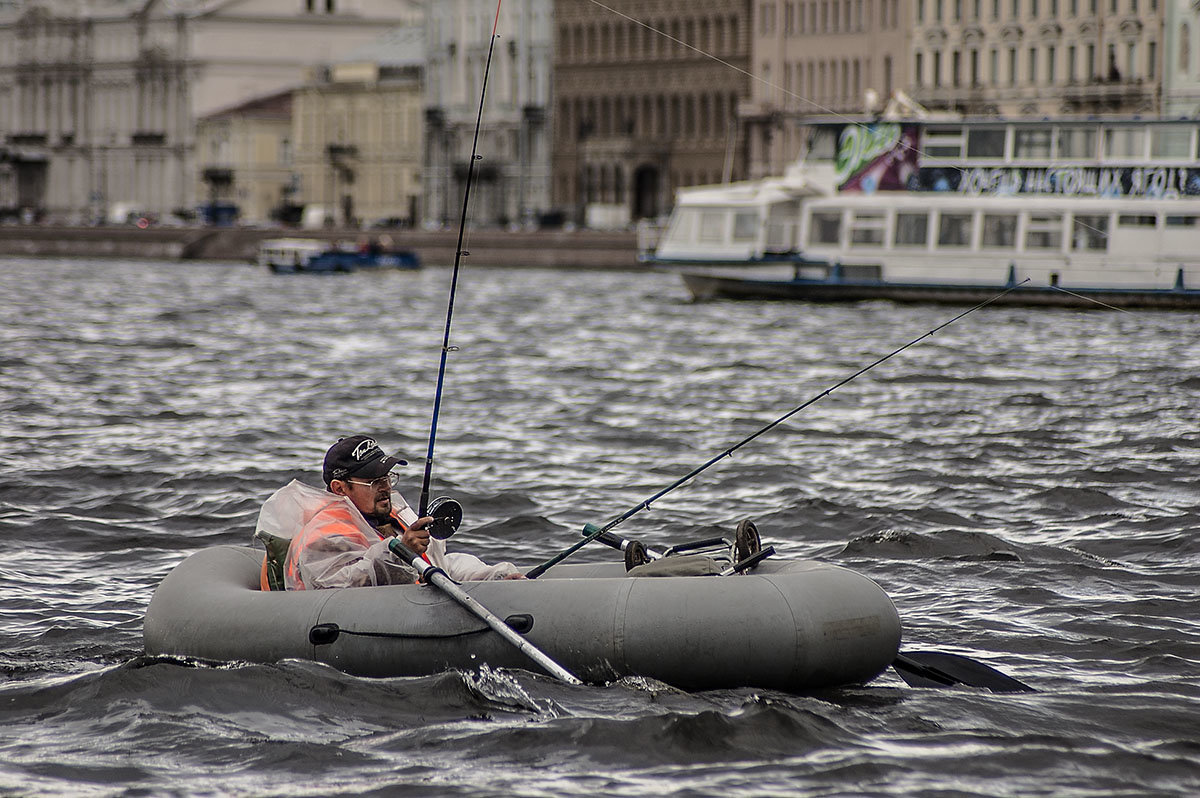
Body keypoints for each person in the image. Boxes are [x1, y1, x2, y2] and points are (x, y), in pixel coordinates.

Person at [276, 435, 522, 590]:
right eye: (374, 481)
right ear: (339, 488)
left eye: (387, 477)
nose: (386, 487)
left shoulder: (390, 516)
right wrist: (401, 553)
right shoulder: (325, 534)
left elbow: (440, 565)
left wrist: (495, 578)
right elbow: (343, 586)